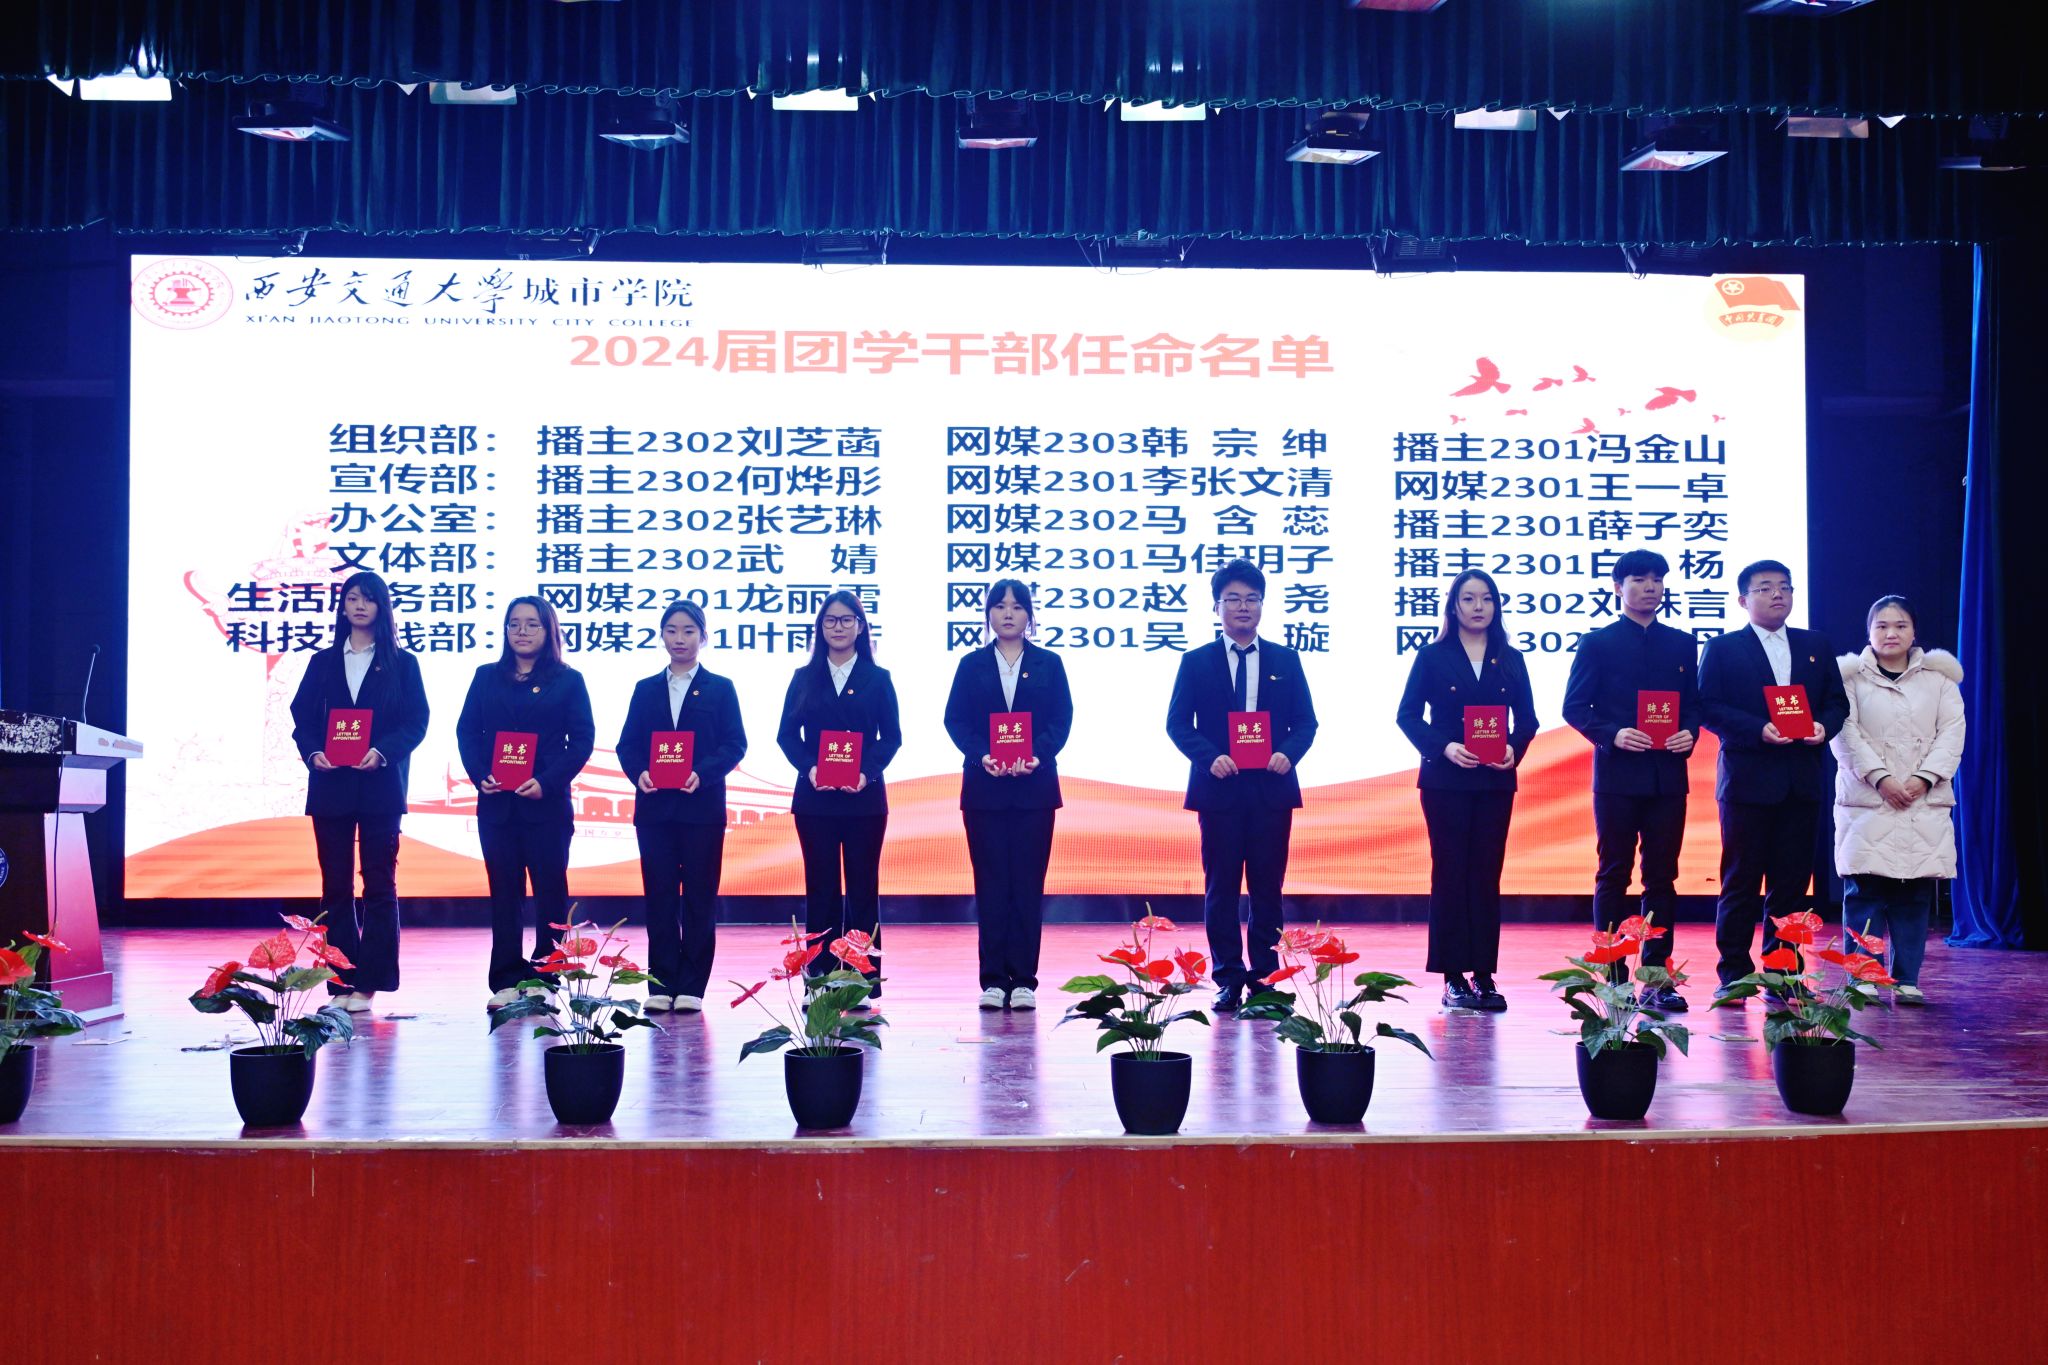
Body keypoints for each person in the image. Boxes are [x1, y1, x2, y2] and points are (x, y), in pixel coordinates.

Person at [1165, 559, 1319, 1014]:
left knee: (1268, 889)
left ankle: (1265, 978)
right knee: (1222, 889)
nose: (1243, 606)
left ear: (1262, 605)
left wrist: (1288, 753)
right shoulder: (1196, 662)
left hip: (1271, 789)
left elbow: (1306, 723)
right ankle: (1228, 977)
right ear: (1216, 607)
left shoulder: (1285, 660)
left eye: (1252, 598)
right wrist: (1209, 757)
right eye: (1232, 598)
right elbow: (1178, 723)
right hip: (1220, 791)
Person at [1697, 559, 1851, 997]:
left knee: (1792, 885)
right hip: (1747, 781)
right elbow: (1707, 706)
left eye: (1784, 586)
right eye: (1765, 588)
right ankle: (1734, 974)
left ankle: (1784, 973)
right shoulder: (1723, 648)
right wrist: (1757, 729)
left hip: (1800, 782)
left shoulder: (1815, 644)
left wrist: (1823, 727)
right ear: (1743, 600)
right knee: (1740, 881)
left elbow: (1837, 703)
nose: (1777, 594)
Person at [1560, 549, 1700, 1012]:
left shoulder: (1681, 643)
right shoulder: (1597, 643)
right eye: (1639, 579)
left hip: (1667, 778)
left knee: (1662, 877)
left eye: (1657, 579)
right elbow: (1575, 708)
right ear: (1618, 588)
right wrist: (1613, 734)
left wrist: (1690, 732)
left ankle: (1657, 979)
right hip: (1617, 777)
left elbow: (1693, 705)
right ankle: (1614, 976)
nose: (1650, 587)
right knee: (1613, 873)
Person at [1394, 570, 1538, 1011]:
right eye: (1469, 599)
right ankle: (1453, 976)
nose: (1479, 607)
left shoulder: (1510, 658)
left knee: (1486, 874)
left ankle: (1484, 975)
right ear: (1453, 606)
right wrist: (1445, 747)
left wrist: (1513, 748)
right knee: (1451, 872)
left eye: (1487, 599)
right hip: (1446, 781)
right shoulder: (1433, 656)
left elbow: (1528, 720)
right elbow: (1407, 716)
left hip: (1495, 780)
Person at [287, 570, 430, 1014]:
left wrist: (383, 752)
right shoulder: (323, 662)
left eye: (369, 598)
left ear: (382, 607)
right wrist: (313, 752)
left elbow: (416, 721)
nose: (360, 605)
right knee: (335, 887)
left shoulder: (402, 663)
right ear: (343, 607)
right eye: (352, 598)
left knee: (380, 884)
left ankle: (370, 983)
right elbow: (302, 717)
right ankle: (340, 981)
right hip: (331, 784)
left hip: (379, 785)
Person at [456, 596, 594, 1009]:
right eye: (514, 623)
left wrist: (547, 782)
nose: (522, 631)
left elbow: (581, 740)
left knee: (550, 891)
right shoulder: (486, 676)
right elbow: (468, 732)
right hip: (497, 804)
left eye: (532, 624)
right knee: (504, 893)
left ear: (548, 631)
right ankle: (505, 978)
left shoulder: (568, 680)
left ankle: (546, 976)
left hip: (545, 804)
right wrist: (481, 774)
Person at [942, 579, 1074, 1012]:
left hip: (1035, 790)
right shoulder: (971, 665)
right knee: (992, 885)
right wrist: (982, 755)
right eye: (1000, 606)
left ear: (1029, 616)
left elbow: (1061, 719)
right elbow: (956, 720)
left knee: (1028, 886)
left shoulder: (1049, 663)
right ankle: (994, 981)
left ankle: (1024, 982)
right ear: (989, 615)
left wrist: (1037, 755)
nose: (1008, 613)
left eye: (1017, 607)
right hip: (985, 791)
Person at [1830, 595, 1965, 1005]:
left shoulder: (1940, 680)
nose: (1891, 633)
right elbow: (1844, 733)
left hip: (1922, 801)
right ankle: (1863, 977)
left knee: (1914, 894)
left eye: (1901, 625)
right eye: (1882, 626)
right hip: (1867, 800)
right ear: (1868, 632)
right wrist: (1881, 778)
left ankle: (1907, 979)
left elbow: (1952, 733)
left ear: (1914, 631)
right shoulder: (1849, 679)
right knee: (1864, 893)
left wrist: (1924, 778)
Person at [617, 599, 747, 1013]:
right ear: (661, 636)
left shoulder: (721, 688)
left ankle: (692, 985)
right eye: (671, 630)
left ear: (703, 637)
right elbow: (627, 745)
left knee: (699, 897)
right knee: (658, 897)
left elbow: (735, 744)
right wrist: (639, 772)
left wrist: (702, 774)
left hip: (701, 810)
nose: (679, 638)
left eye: (689, 631)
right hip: (655, 810)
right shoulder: (645, 689)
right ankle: (660, 982)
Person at [775, 591, 902, 999]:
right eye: (830, 620)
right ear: (820, 628)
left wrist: (866, 773)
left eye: (847, 620)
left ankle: (861, 982)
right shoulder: (803, 677)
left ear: (860, 627)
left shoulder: (878, 678)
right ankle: (819, 980)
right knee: (821, 891)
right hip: (816, 801)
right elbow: (786, 735)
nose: (839, 627)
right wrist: (810, 768)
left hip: (864, 800)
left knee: (863, 891)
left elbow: (892, 737)